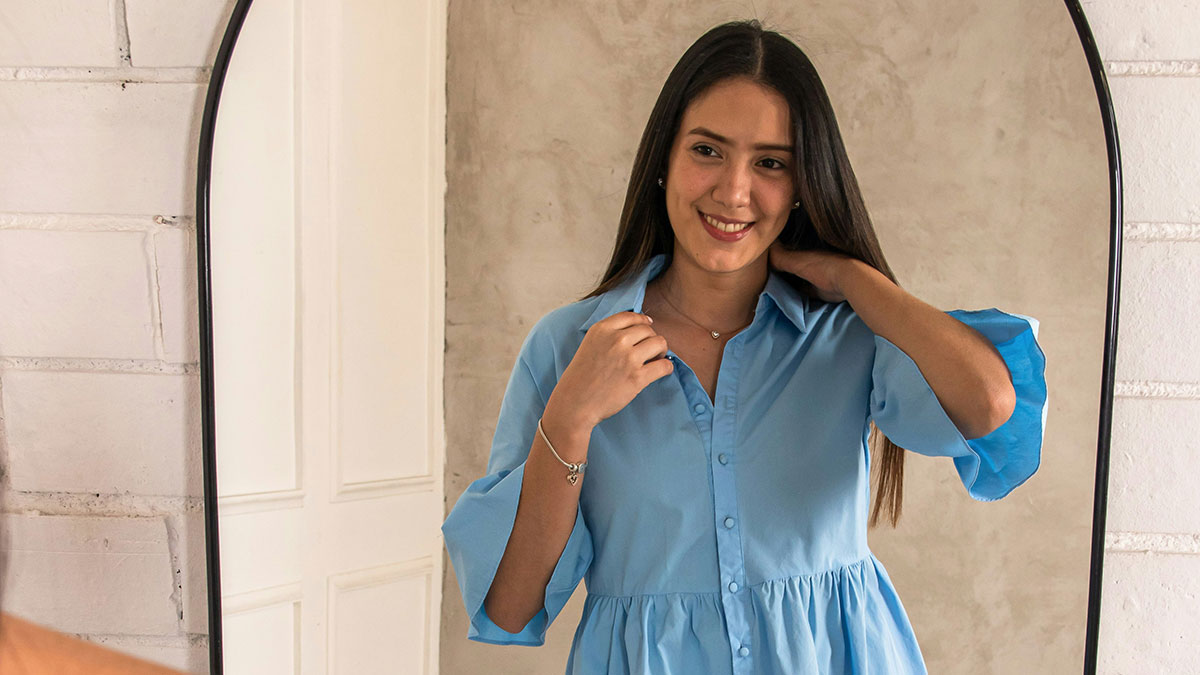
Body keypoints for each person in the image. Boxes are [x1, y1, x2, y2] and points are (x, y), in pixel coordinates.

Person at [442, 18, 1047, 675]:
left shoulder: (846, 336)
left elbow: (989, 404)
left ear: (801, 187)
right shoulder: (569, 347)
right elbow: (508, 607)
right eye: (707, 150)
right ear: (663, 161)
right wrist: (571, 417)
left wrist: (854, 278)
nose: (732, 190)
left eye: (770, 163)